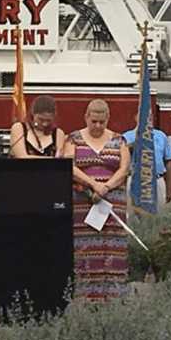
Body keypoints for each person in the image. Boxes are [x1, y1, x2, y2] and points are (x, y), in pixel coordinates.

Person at [63, 99, 131, 302]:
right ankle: (85, 297)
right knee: (84, 248)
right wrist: (93, 185)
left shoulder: (120, 140)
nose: (98, 126)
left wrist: (106, 187)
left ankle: (114, 296)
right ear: (86, 117)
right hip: (84, 202)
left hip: (112, 203)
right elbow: (70, 166)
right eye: (94, 121)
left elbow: (124, 169)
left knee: (112, 247)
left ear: (108, 119)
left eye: (102, 122)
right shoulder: (73, 138)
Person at [122, 113, 171, 208]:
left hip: (157, 181)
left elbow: (168, 163)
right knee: (133, 217)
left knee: (158, 218)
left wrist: (168, 191)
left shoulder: (161, 136)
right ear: (136, 118)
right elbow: (122, 163)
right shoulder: (127, 137)